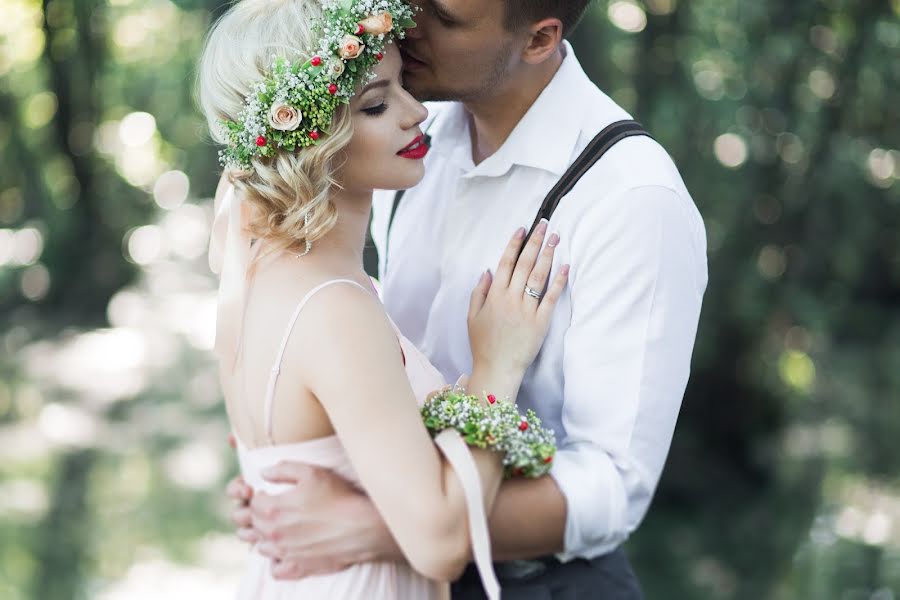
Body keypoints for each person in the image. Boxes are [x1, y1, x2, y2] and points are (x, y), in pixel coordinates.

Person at [227, 0, 709, 598]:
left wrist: (374, 527)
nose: (407, 25)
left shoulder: (631, 199)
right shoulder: (400, 140)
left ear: (538, 39)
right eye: (409, 1)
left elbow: (612, 489)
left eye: (444, 18)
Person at [199, 0, 570, 598]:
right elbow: (441, 545)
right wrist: (496, 367)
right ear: (307, 137)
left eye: (403, 85)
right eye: (376, 104)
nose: (416, 111)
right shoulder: (333, 308)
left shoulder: (255, 270)